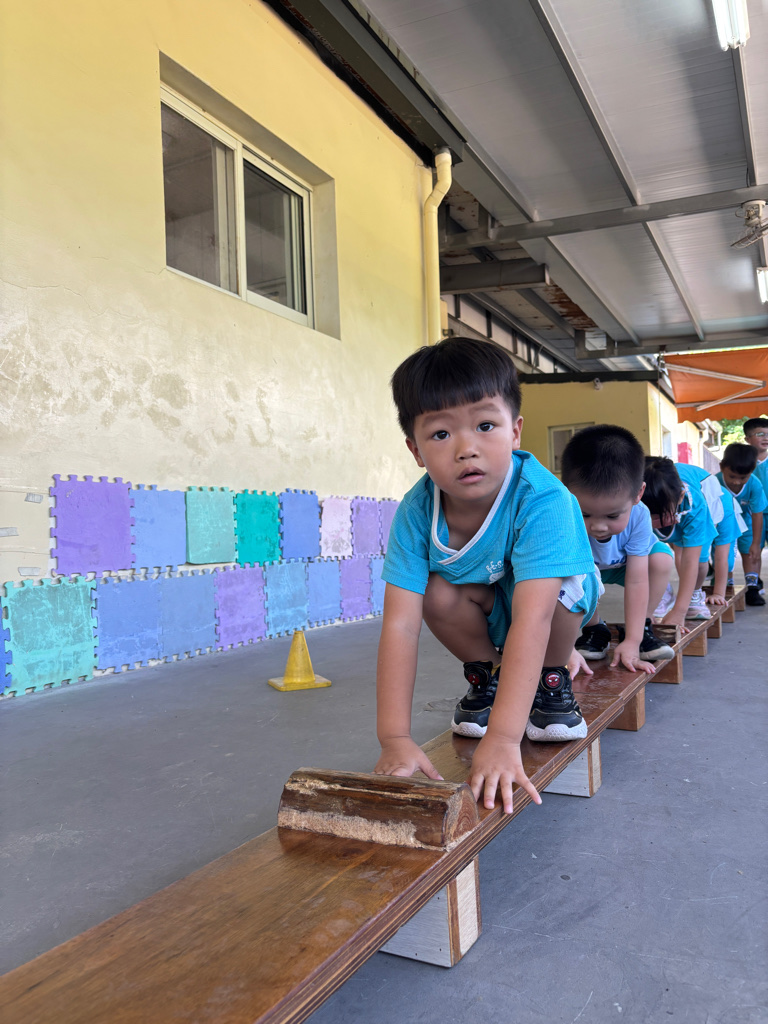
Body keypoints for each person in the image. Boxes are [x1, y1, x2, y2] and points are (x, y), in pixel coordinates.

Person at [373, 337, 602, 813]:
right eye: (441, 434)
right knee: (436, 592)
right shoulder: (416, 512)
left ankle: (551, 678)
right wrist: (394, 738)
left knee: (560, 593)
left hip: (552, 613)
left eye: (485, 425)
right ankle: (491, 676)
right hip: (493, 608)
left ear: (515, 431)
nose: (466, 449)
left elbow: (534, 620)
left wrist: (502, 738)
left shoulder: (545, 499)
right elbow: (400, 624)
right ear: (415, 450)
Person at [560, 425, 674, 671]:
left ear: (638, 494)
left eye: (612, 516)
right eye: (585, 514)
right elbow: (555, 583)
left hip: (624, 566)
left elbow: (637, 580)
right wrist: (564, 648)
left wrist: (633, 640)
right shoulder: (561, 514)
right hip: (586, 571)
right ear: (565, 493)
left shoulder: (640, 514)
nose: (598, 527)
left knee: (661, 559)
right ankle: (594, 629)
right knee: (569, 578)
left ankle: (642, 627)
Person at [642, 457, 717, 629]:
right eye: (649, 516)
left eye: (660, 516)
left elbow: (690, 561)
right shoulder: (630, 499)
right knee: (652, 556)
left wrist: (679, 611)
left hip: (705, 497)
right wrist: (646, 610)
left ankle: (694, 594)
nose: (654, 522)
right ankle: (662, 591)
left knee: (700, 561)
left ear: (680, 497)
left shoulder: (695, 505)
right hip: (672, 504)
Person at [716, 442, 767, 607]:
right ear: (722, 467)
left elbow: (757, 514)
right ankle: (726, 585)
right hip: (722, 523)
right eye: (732, 476)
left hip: (746, 521)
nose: (737, 482)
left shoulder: (755, 484)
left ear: (752, 471)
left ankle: (752, 588)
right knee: (724, 555)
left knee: (751, 554)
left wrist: (756, 544)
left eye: (743, 478)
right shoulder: (714, 483)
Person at [743, 417, 768, 593]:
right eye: (760, 434)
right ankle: (754, 586)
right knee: (752, 550)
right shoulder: (743, 462)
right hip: (750, 514)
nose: (766, 438)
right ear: (747, 438)